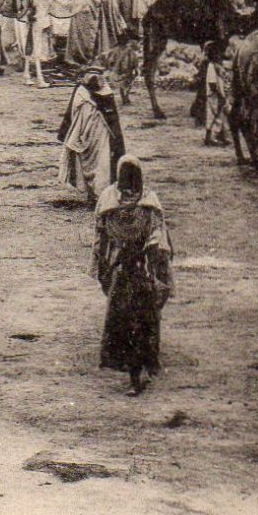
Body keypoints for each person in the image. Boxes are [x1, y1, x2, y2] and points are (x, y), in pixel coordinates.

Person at [93, 157, 173, 396]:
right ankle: (137, 372)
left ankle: (139, 373)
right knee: (133, 321)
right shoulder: (126, 202)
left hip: (134, 270)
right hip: (130, 271)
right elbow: (102, 238)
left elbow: (158, 237)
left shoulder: (139, 203)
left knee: (136, 320)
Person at [57, 70, 123, 202]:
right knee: (85, 160)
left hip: (101, 135)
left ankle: (100, 195)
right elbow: (72, 113)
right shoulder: (81, 91)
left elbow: (113, 121)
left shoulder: (105, 93)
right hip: (83, 133)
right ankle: (91, 194)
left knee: (102, 163)